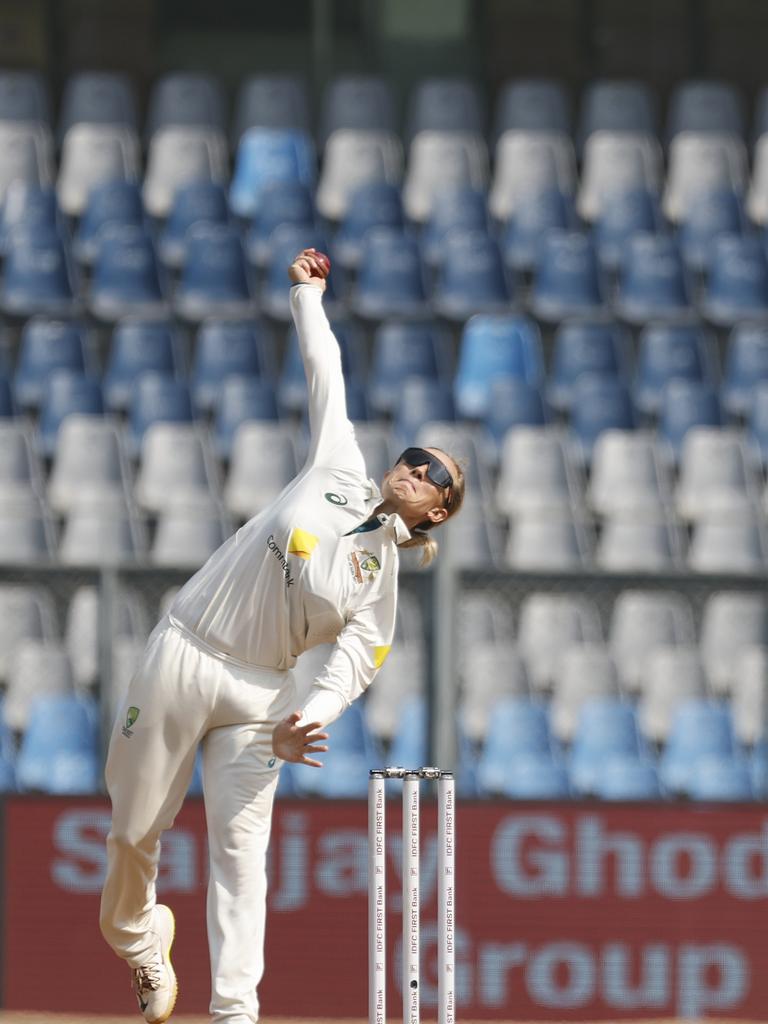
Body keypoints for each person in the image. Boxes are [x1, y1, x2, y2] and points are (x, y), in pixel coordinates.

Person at [99, 247, 465, 1024]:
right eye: (414, 458)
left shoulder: (380, 582)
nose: (415, 468)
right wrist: (307, 295)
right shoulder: (338, 465)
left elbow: (354, 667)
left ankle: (236, 1012)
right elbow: (323, 369)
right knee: (135, 831)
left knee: (242, 855)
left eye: (434, 474)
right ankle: (138, 943)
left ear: (436, 513)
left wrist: (312, 718)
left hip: (264, 695)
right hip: (187, 650)